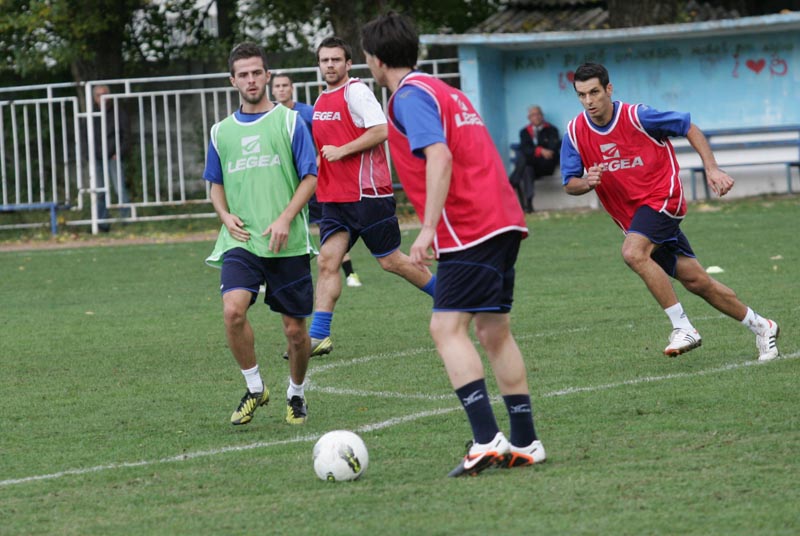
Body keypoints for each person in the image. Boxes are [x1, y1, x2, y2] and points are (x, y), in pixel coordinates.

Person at [362, 12, 545, 477]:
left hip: (471, 226)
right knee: (493, 331)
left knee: (445, 328)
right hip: (503, 220)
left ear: (377, 60)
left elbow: (439, 156)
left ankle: (485, 439)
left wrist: (427, 228)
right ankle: (526, 441)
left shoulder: (408, 97)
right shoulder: (446, 91)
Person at [561, 62, 780, 361]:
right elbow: (569, 184)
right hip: (634, 219)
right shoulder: (575, 133)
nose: (589, 101)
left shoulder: (638, 117)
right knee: (697, 281)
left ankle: (683, 327)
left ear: (608, 89)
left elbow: (689, 127)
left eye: (594, 92)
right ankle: (762, 326)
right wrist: (586, 182)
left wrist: (712, 169)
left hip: (663, 199)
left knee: (633, 253)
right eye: (582, 95)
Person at [203, 42, 318, 426]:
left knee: (295, 332)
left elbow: (311, 177)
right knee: (233, 311)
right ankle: (255, 388)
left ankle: (296, 393)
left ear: (267, 75)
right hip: (242, 240)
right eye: (244, 74)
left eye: (257, 72)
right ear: (232, 80)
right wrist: (224, 215)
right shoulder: (221, 132)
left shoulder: (289, 122)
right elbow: (215, 184)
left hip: (286, 242)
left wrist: (286, 218)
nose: (251, 80)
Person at [307, 36, 436, 358]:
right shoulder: (321, 100)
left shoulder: (357, 91)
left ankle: (451, 298)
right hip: (335, 199)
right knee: (327, 262)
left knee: (391, 261)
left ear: (348, 63)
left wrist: (342, 150)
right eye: (325, 60)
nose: (330, 65)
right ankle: (318, 335)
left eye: (336, 59)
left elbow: (381, 130)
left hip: (367, 195)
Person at [271, 72, 363, 288]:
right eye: (277, 86)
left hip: (312, 181)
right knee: (280, 225)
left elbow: (326, 140)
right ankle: (269, 277)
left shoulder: (308, 113)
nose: (281, 89)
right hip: (284, 183)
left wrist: (315, 166)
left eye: (285, 85)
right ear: (272, 90)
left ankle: (350, 273)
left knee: (327, 227)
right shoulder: (269, 117)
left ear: (292, 88)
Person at [90, 84, 132, 231]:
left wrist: (119, 153)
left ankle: (126, 221)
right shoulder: (90, 114)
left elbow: (126, 135)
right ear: (94, 98)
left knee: (120, 189)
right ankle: (102, 223)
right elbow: (84, 137)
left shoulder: (118, 113)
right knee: (99, 192)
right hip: (96, 158)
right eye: (99, 95)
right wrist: (88, 155)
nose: (103, 98)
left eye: (105, 94)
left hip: (114, 156)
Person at [511, 105, 560, 213]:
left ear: (542, 116)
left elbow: (552, 149)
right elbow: (525, 149)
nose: (536, 117)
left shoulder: (551, 129)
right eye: (533, 115)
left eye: (538, 114)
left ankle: (513, 181)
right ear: (529, 118)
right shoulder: (524, 132)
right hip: (532, 166)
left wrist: (534, 151)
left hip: (546, 165)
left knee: (524, 160)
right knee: (527, 169)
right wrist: (540, 151)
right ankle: (528, 205)